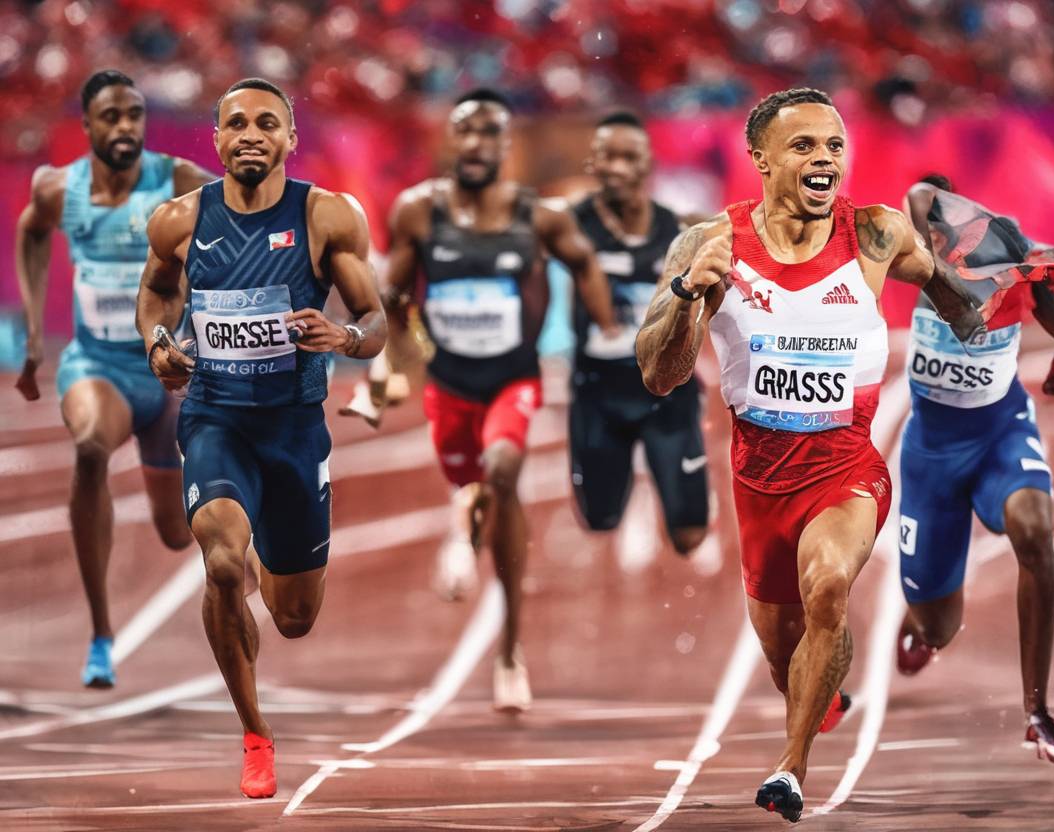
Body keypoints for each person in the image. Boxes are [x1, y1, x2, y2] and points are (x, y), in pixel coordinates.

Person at [635, 88, 985, 824]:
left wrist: (971, 314)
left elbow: (947, 289)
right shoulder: (708, 243)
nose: (824, 159)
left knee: (828, 586)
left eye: (833, 145)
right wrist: (688, 293)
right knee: (781, 655)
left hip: (846, 470)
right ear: (760, 159)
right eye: (803, 147)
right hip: (760, 481)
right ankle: (817, 700)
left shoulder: (874, 233)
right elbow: (659, 375)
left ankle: (790, 770)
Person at [136, 78, 385, 798]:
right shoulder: (179, 221)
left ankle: (263, 561)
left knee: (294, 618)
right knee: (219, 563)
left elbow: (375, 321)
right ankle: (255, 731)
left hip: (293, 430)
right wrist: (159, 342)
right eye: (236, 122)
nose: (251, 133)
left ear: (289, 139)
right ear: (215, 140)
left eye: (267, 123)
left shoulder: (326, 217)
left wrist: (342, 335)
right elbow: (156, 294)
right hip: (215, 418)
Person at [372, 89, 618, 712]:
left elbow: (585, 264)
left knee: (504, 472)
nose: (478, 145)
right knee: (475, 480)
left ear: (507, 147)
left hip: (514, 379)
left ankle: (510, 648)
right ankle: (463, 521)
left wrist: (609, 333)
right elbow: (391, 297)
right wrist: (399, 355)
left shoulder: (539, 217)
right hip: (450, 386)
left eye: (490, 134)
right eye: (467, 133)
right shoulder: (419, 212)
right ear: (452, 142)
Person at [14, 69, 214, 689]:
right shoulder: (58, 188)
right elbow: (30, 235)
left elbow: (236, 223)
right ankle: (101, 634)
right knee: (91, 447)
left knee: (178, 535)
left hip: (167, 373)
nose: (126, 127)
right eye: (111, 117)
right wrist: (29, 337)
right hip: (98, 363)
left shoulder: (176, 181)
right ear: (88, 125)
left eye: (134, 115)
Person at [895, 173, 1054, 762]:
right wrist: (934, 238)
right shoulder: (923, 243)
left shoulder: (1013, 261)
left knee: (1033, 529)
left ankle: (1038, 711)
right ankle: (920, 616)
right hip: (932, 455)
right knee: (938, 630)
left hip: (1001, 433)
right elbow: (921, 194)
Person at [566, 111, 710, 554]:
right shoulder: (566, 223)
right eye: (607, 157)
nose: (618, 167)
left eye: (629, 157)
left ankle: (676, 475)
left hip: (665, 394)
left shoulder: (683, 228)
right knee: (599, 518)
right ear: (592, 163)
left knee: (689, 534)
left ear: (648, 165)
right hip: (598, 391)